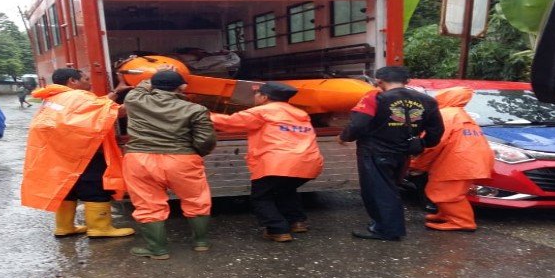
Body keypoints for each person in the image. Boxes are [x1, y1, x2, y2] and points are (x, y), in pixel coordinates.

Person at [20, 68, 135, 239]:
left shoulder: (54, 97)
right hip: (83, 151)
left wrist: (116, 91)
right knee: (95, 186)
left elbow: (94, 108)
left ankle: (64, 227)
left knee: (68, 187)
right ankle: (99, 228)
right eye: (86, 78)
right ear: (72, 81)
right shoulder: (79, 97)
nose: (89, 82)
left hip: (59, 153)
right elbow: (116, 112)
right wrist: (144, 95)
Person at [338, 66, 444, 241]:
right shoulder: (427, 101)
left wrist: (344, 137)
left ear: (379, 82)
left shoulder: (375, 97)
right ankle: (382, 225)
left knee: (378, 191)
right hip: (403, 154)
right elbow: (436, 133)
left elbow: (358, 125)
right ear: (407, 81)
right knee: (390, 188)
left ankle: (387, 230)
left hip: (374, 152)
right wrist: (422, 144)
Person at [210, 81, 323, 242]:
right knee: (286, 190)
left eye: (257, 94)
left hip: (276, 163)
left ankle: (277, 229)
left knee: (261, 197)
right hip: (308, 162)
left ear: (264, 97)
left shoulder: (262, 112)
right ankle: (297, 222)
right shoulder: (300, 114)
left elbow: (228, 123)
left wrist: (198, 114)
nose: (255, 97)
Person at [122, 69, 217, 259]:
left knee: (147, 204)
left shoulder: (134, 100)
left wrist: (154, 76)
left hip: (139, 159)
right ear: (182, 87)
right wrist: (194, 154)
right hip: (182, 159)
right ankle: (201, 242)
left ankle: (157, 250)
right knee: (196, 200)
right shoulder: (195, 109)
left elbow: (140, 87)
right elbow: (206, 141)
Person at [409, 86, 494, 231]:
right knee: (449, 190)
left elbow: (434, 143)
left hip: (458, 161)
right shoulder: (461, 114)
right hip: (468, 160)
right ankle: (446, 215)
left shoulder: (445, 114)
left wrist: (417, 164)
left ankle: (463, 221)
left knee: (444, 192)